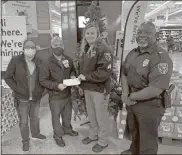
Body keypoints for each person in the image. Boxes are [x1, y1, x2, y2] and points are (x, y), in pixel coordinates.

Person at [120, 21, 173, 155]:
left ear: (155, 35)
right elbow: (124, 73)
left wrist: (130, 97)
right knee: (135, 132)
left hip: (150, 106)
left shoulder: (161, 57)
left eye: (148, 33)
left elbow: (156, 88)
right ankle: (134, 150)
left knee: (148, 141)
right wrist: (125, 93)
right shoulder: (132, 53)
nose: (142, 35)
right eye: (139, 32)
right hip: (132, 102)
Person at [4, 39, 46, 152]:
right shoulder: (16, 60)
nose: (30, 49)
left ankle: (36, 134)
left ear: (35, 49)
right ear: (23, 48)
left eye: (32, 47)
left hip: (36, 97)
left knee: (35, 118)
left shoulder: (40, 61)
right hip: (21, 98)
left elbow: (44, 78)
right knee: (23, 122)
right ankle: (25, 141)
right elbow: (7, 77)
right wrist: (17, 89)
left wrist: (42, 91)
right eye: (27, 47)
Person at [78, 22, 113, 153]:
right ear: (84, 35)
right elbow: (83, 69)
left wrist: (86, 78)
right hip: (88, 88)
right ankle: (93, 136)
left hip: (99, 89)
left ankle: (103, 141)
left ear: (97, 34)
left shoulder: (103, 49)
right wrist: (82, 85)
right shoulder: (87, 48)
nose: (89, 35)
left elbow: (104, 72)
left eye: (92, 33)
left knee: (101, 116)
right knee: (92, 115)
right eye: (87, 33)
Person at [39, 37, 78, 147]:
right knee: (56, 117)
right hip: (55, 96)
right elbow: (42, 80)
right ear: (52, 47)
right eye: (55, 45)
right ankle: (57, 135)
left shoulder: (68, 59)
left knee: (67, 115)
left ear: (63, 46)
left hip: (67, 94)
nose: (58, 46)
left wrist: (73, 76)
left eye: (60, 44)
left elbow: (72, 71)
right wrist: (56, 85)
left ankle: (67, 129)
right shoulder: (47, 62)